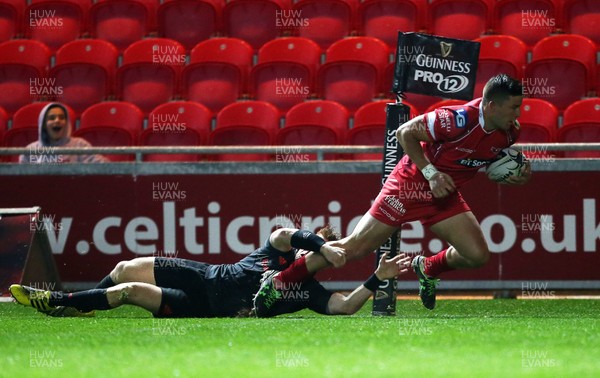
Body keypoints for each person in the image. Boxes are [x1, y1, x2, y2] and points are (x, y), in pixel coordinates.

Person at [254, 74, 532, 312]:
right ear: (492, 105)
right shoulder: (455, 120)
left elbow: (485, 157)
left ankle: (429, 267)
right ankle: (280, 282)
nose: (518, 114)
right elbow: (404, 132)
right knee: (353, 249)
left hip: (443, 195)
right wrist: (432, 174)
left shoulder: (509, 133)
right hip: (408, 188)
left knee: (477, 255)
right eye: (514, 107)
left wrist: (514, 171)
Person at [10, 227, 408, 318]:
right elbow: (285, 231)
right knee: (122, 267)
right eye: (318, 243)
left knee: (129, 290)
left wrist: (378, 278)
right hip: (208, 276)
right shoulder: (280, 247)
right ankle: (80, 307)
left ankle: (56, 302)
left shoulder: (307, 291)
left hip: (204, 308)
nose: (320, 250)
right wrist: (321, 244)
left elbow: (345, 306)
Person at [19, 102, 107, 163]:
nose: (57, 120)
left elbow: (103, 166)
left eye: (61, 117)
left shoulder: (80, 145)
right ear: (44, 124)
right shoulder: (31, 150)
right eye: (52, 118)